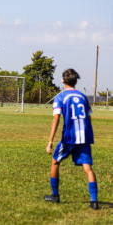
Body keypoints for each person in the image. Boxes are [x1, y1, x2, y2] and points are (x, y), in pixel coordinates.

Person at [44, 69, 98, 210]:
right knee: (87, 168)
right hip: (84, 137)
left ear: (63, 80)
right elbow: (89, 116)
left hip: (69, 137)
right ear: (76, 81)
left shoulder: (60, 97)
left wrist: (50, 141)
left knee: (55, 161)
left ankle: (55, 196)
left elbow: (56, 118)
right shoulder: (83, 96)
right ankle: (94, 201)